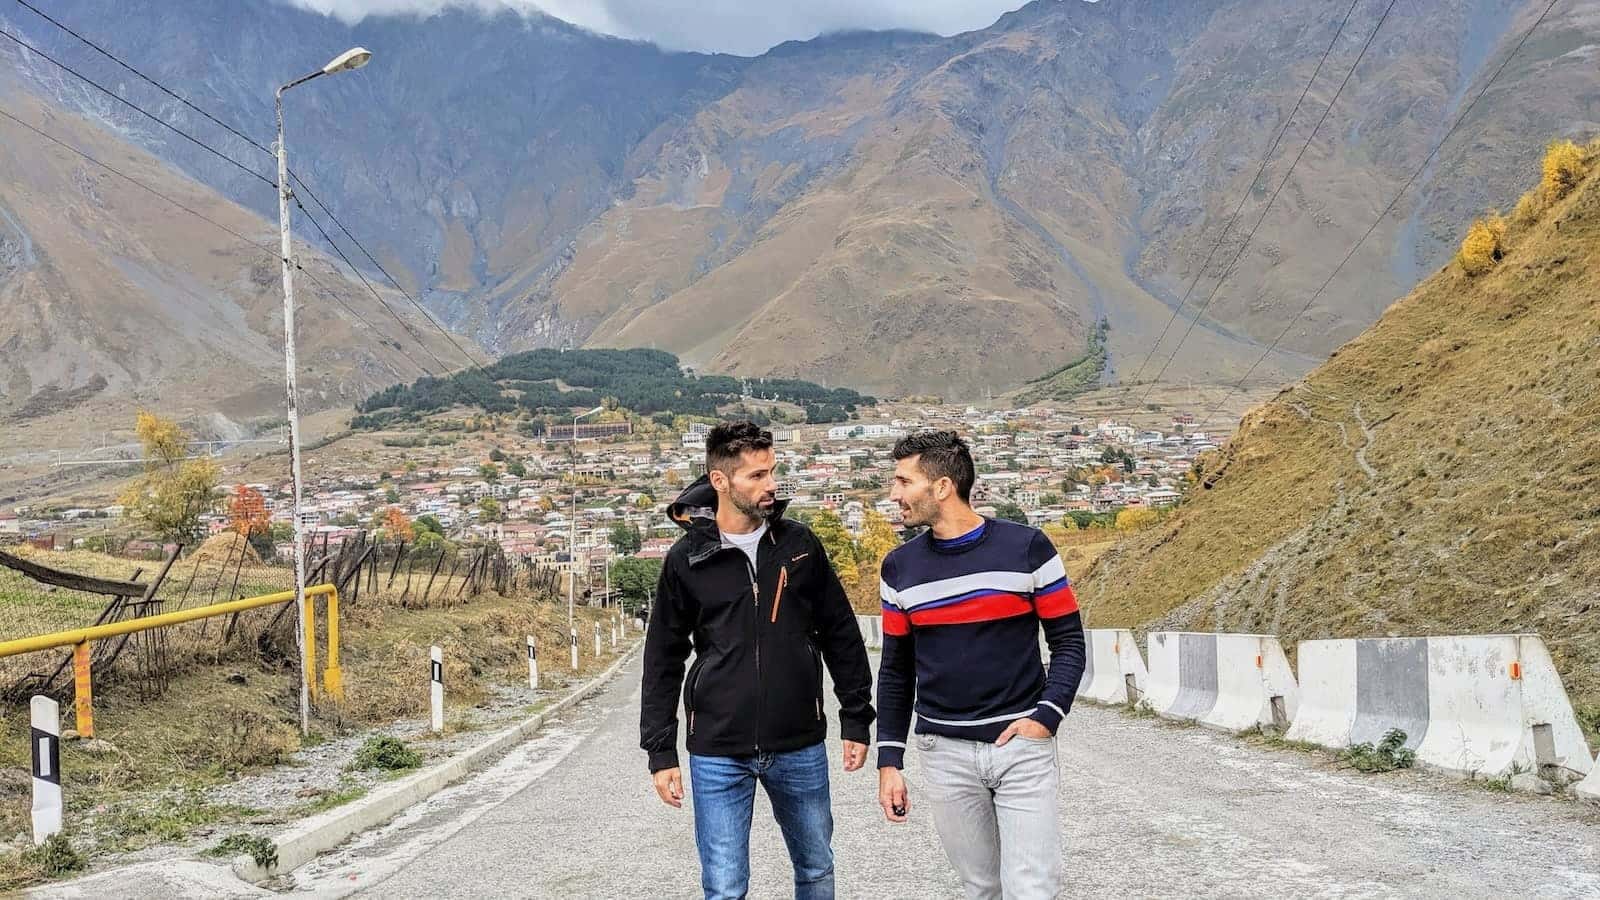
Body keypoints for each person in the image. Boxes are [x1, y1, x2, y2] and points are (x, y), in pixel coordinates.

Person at [640, 420, 875, 900]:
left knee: (815, 869)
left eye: (772, 472)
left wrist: (856, 718)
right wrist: (660, 752)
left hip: (800, 744)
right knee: (724, 887)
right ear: (720, 481)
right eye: (756, 476)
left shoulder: (800, 546)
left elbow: (841, 634)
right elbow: (663, 658)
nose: (770, 485)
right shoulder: (687, 559)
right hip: (717, 751)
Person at [875, 430, 1086, 899]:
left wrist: (1046, 718)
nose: (894, 494)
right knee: (980, 888)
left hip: (1021, 749)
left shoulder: (1027, 548)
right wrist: (889, 759)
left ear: (943, 486)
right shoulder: (899, 568)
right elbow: (895, 669)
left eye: (903, 482)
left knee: (1032, 888)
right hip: (945, 752)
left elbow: (1068, 642)